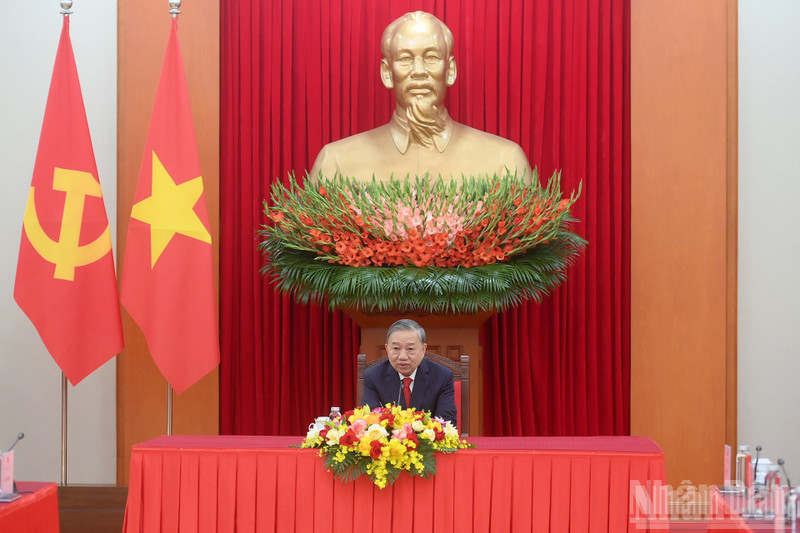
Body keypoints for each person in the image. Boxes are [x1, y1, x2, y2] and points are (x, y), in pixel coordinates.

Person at [309, 11, 532, 182]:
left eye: (431, 57)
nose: (418, 71)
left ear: (450, 70)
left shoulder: (505, 162)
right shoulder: (336, 163)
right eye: (405, 59)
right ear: (387, 73)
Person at [361, 319, 458, 425]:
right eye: (396, 348)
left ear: (423, 349)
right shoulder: (373, 377)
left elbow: (446, 422)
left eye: (410, 349)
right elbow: (371, 422)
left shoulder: (442, 376)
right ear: (387, 349)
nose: (403, 357)